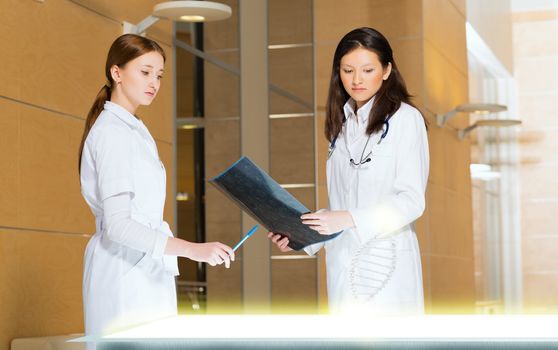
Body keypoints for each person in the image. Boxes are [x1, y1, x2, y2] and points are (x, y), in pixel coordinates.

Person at [78, 34, 234, 346]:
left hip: (145, 267)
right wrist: (192, 249)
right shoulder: (112, 133)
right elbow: (118, 226)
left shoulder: (134, 130)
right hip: (123, 271)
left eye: (159, 75)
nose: (154, 83)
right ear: (117, 73)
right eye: (145, 72)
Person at [269, 27, 429, 315]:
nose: (356, 79)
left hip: (386, 264)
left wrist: (346, 218)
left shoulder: (406, 119)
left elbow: (410, 202)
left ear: (386, 70)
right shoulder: (341, 127)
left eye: (367, 70)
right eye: (347, 70)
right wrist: (302, 236)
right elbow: (341, 206)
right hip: (344, 264)